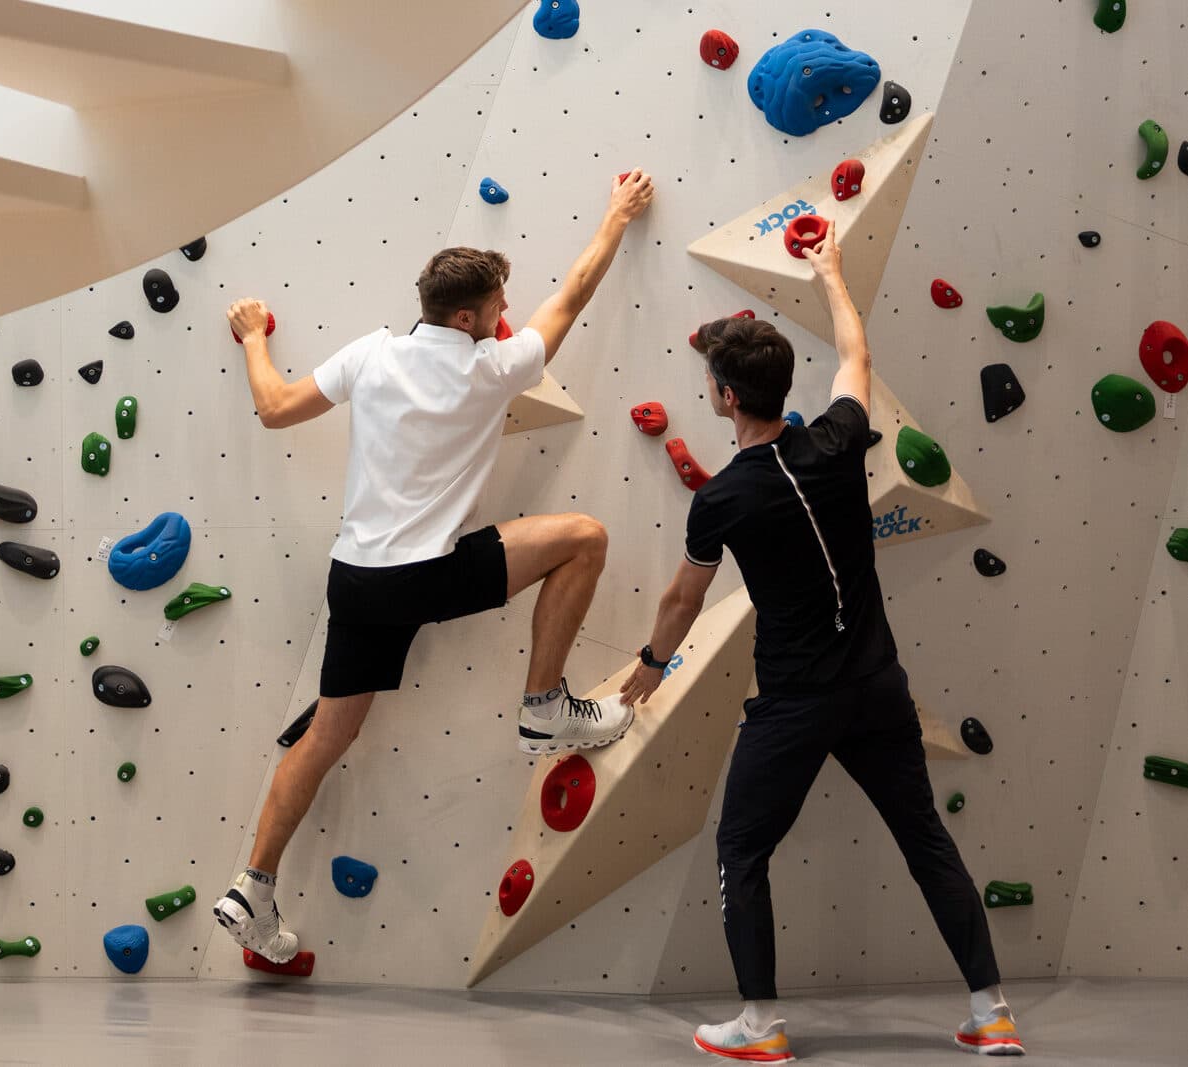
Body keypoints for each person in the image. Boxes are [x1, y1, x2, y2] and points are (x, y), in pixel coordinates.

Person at [212, 170, 657, 964]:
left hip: (355, 578)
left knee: (325, 736)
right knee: (585, 537)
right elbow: (576, 291)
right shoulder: (493, 367)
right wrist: (616, 215)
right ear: (467, 317)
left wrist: (253, 337)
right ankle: (543, 706)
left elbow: (275, 408)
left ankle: (253, 884)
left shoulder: (370, 355)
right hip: (427, 574)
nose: (506, 315)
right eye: (497, 306)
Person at [617, 221, 1024, 1061]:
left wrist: (653, 664)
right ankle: (991, 1013)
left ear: (724, 397)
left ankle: (759, 1026)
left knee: (741, 847)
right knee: (924, 839)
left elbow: (682, 597)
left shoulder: (720, 500)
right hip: (876, 687)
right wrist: (830, 272)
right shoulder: (839, 441)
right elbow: (854, 355)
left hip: (796, 702)